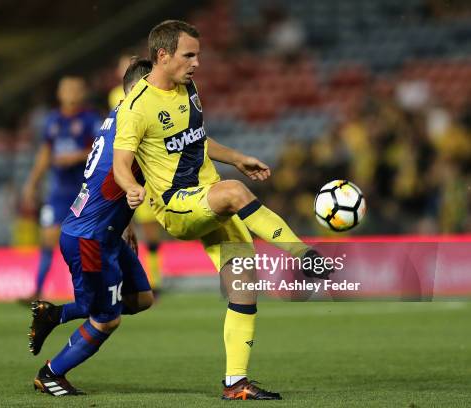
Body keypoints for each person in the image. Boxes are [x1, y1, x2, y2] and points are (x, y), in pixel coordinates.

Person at [112, 21, 331, 400]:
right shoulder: (135, 107)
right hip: (178, 206)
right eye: (189, 55)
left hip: (210, 200)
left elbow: (197, 139)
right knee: (233, 192)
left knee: (244, 287)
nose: (197, 62)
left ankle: (236, 382)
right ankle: (306, 256)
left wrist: (238, 157)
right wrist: (131, 189)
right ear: (162, 55)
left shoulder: (188, 88)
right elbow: (120, 163)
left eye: (198, 54)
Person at [30, 58, 155, 396]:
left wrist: (125, 222)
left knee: (141, 298)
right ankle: (52, 373)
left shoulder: (117, 116)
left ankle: (54, 315)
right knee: (106, 317)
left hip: (105, 230)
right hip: (91, 238)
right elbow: (120, 171)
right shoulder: (136, 122)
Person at [22, 76, 101, 300]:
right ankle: (37, 291)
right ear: (59, 93)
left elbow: (101, 148)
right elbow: (45, 153)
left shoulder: (90, 119)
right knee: (48, 238)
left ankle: (93, 288)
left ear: (83, 93)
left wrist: (75, 157)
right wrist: (31, 183)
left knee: (86, 240)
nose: (71, 93)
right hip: (58, 192)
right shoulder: (52, 120)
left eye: (76, 89)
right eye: (66, 89)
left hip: (82, 191)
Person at [109, 53, 164, 295]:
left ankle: (156, 279)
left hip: (148, 171)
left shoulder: (154, 93)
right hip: (129, 167)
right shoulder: (116, 96)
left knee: (150, 231)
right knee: (124, 229)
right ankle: (126, 281)